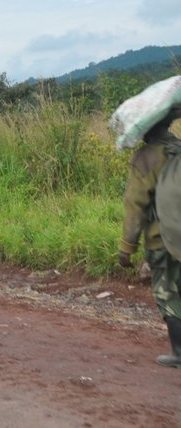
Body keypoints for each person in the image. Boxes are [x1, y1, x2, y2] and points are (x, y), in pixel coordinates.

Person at [118, 107, 181, 367]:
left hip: (163, 240)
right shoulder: (178, 149)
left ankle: (179, 353)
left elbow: (136, 206)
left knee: (167, 293)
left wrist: (126, 246)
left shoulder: (144, 159)